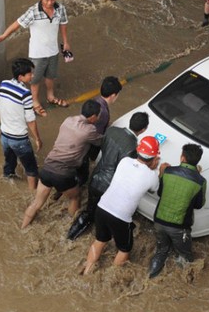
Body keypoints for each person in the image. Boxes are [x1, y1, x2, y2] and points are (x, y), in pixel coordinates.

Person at [80, 136, 164, 275]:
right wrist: (158, 172)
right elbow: (153, 189)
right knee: (124, 249)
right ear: (155, 158)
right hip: (120, 217)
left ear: (138, 149)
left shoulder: (125, 161)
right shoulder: (151, 176)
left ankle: (87, 270)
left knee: (100, 240)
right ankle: (112, 278)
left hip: (102, 207)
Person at [0, 0, 72, 116]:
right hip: (37, 53)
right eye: (46, 0)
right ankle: (35, 103)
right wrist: (4, 36)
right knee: (35, 80)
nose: (50, 2)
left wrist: (66, 41)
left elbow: (63, 24)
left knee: (51, 76)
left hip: (53, 51)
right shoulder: (33, 11)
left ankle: (51, 97)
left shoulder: (60, 9)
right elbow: (17, 24)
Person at [67, 111, 150, 241]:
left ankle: (70, 236)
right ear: (144, 129)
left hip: (95, 178)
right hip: (110, 187)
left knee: (90, 210)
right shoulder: (133, 148)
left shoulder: (111, 131)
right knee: (103, 217)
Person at [21, 100, 103, 229]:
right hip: (63, 174)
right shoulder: (89, 130)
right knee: (75, 197)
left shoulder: (68, 120)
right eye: (98, 115)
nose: (99, 118)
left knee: (37, 203)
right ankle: (70, 226)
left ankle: (23, 227)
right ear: (93, 117)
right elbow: (100, 142)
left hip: (47, 168)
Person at [149, 143, 207, 279]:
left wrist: (161, 174)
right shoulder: (200, 181)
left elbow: (160, 193)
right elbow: (199, 205)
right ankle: (183, 282)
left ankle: (151, 275)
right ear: (197, 161)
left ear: (182, 158)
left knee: (161, 251)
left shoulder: (168, 172)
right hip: (180, 228)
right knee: (184, 256)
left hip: (158, 221)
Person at [0, 58, 43, 191]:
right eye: (30, 74)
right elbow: (30, 120)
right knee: (31, 169)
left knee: (9, 163)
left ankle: (8, 179)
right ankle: (32, 193)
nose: (32, 75)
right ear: (21, 77)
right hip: (19, 139)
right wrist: (38, 139)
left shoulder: (3, 84)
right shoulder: (25, 94)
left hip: (4, 136)